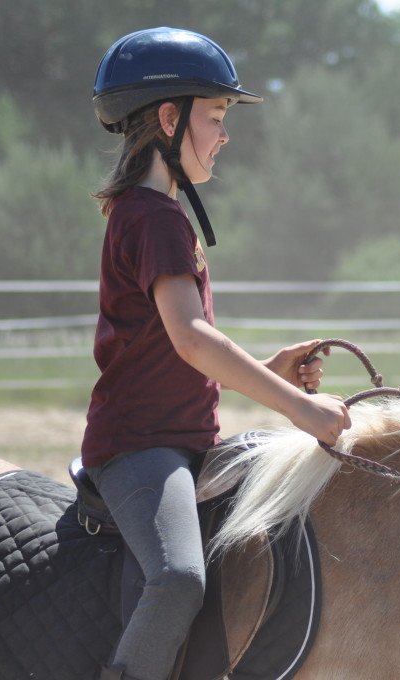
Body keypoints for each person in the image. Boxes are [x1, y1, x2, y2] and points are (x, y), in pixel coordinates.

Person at [82, 27, 351, 680]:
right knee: (178, 579)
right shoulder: (153, 219)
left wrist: (266, 372)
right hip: (142, 447)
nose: (225, 135)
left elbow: (174, 356)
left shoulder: (155, 213)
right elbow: (193, 337)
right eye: (216, 117)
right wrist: (298, 407)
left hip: (177, 435)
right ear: (170, 118)